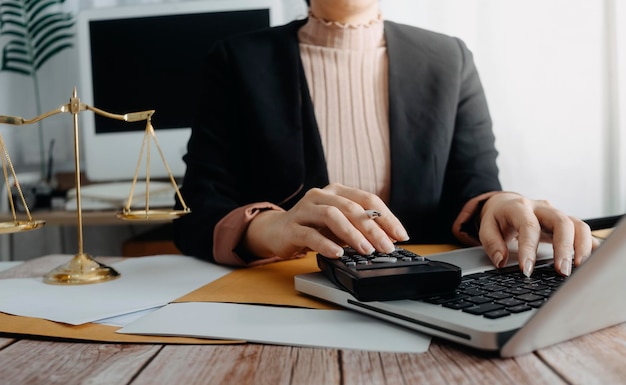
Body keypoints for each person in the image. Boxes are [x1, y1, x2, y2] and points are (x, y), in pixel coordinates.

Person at [173, 0, 599, 277]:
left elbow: (471, 188)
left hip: (424, 297)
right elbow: (197, 211)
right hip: (286, 294)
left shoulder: (449, 58)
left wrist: (498, 204)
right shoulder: (237, 60)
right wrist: (275, 227)